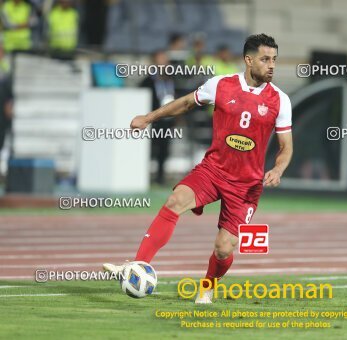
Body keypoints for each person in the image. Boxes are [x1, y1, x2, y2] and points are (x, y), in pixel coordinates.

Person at [103, 34, 293, 304]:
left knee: (224, 248)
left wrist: (279, 168)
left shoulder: (280, 101)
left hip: (246, 186)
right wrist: (149, 117)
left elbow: (286, 146)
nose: (271, 65)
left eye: (274, 59)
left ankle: (207, 287)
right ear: (248, 60)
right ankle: (137, 265)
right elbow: (186, 103)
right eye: (265, 59)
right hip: (213, 171)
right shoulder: (221, 85)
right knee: (175, 200)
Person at [139, 50, 177, 185]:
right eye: (160, 60)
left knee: (164, 149)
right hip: (153, 119)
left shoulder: (172, 79)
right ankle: (143, 176)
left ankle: (160, 177)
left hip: (167, 120)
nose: (164, 63)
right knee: (149, 148)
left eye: (165, 60)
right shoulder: (148, 81)